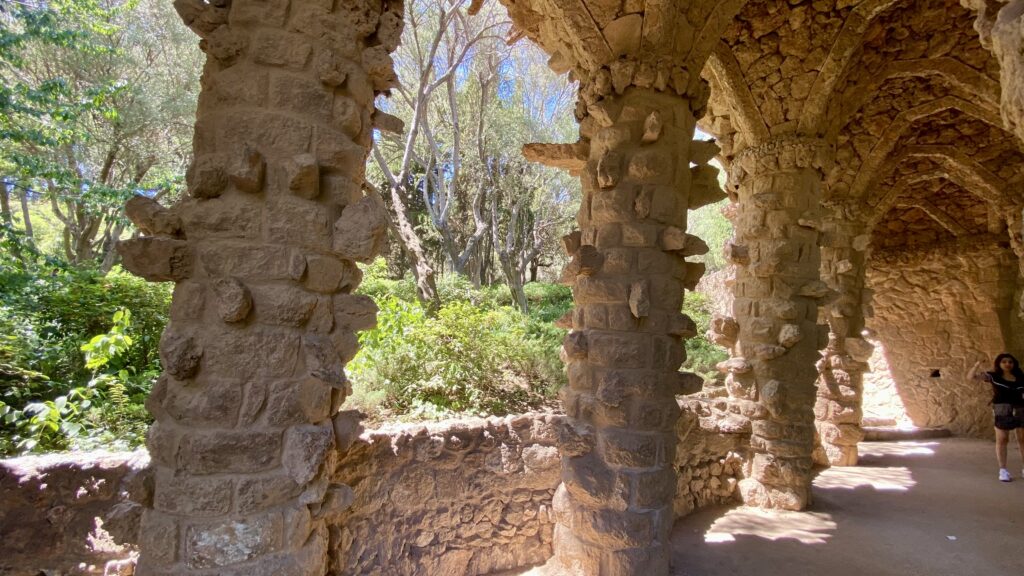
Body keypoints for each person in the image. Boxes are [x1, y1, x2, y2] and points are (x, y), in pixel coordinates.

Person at [970, 354, 1024, 481]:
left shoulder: (1021, 378)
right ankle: (1003, 470)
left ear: (1014, 364)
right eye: (1004, 361)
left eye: (1010, 361)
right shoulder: (994, 376)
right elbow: (971, 377)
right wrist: (977, 364)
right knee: (1002, 439)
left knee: (1022, 439)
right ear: (999, 364)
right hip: (1002, 408)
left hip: (1020, 408)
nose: (1007, 364)